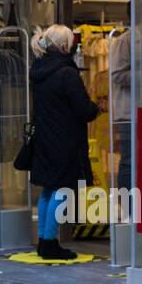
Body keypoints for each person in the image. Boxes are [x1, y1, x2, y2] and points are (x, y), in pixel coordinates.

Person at [29, 24, 99, 260]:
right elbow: (85, 109)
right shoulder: (67, 73)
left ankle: (43, 240)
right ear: (65, 45)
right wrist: (96, 107)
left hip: (45, 138)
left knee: (48, 189)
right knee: (61, 189)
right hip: (66, 140)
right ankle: (50, 242)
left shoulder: (38, 69)